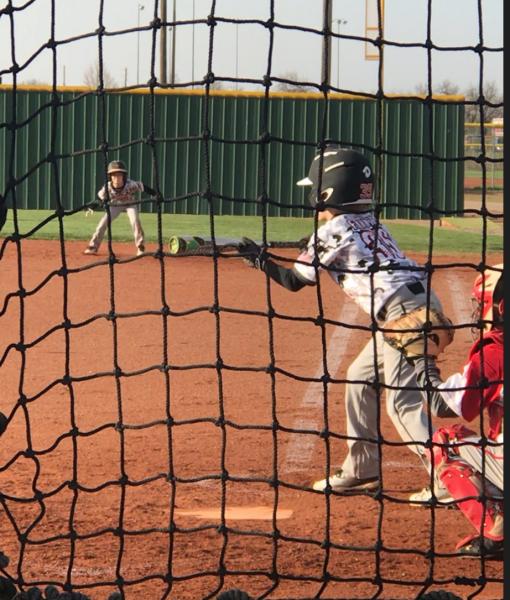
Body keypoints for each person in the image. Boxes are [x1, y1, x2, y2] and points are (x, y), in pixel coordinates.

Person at [237, 144, 450, 493]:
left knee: (403, 402)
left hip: (403, 314)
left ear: (328, 191)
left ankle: (446, 480)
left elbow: (294, 282)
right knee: (359, 377)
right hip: (416, 305)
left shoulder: (333, 231)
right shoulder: (368, 220)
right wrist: (312, 246)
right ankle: (362, 469)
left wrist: (261, 260)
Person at [410, 264, 503, 557]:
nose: (479, 310)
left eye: (483, 303)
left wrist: (422, 359)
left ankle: (497, 533)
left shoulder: (494, 352)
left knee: (445, 442)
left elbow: (443, 405)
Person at [83, 160, 156, 257]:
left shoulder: (130, 184)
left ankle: (140, 247)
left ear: (124, 176)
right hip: (116, 205)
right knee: (103, 223)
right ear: (110, 177)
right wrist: (92, 207)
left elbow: (143, 187)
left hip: (130, 204)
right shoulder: (107, 187)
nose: (117, 178)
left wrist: (156, 194)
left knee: (135, 221)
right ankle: (93, 247)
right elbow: (99, 198)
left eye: (119, 175)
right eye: (114, 175)